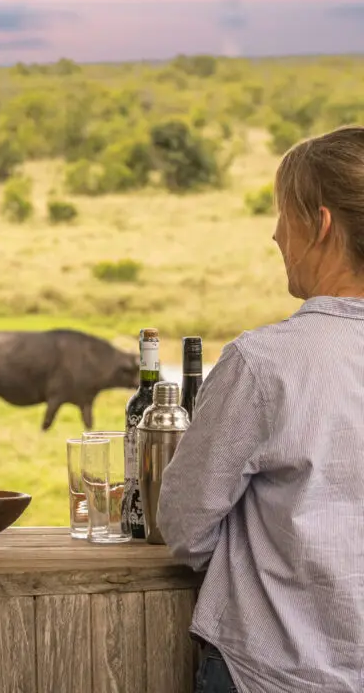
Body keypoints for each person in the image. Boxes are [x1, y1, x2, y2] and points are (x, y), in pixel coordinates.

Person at [158, 125, 364, 693]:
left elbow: (184, 523)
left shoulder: (264, 362)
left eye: (283, 215)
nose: (276, 235)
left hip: (270, 673)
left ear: (320, 225)